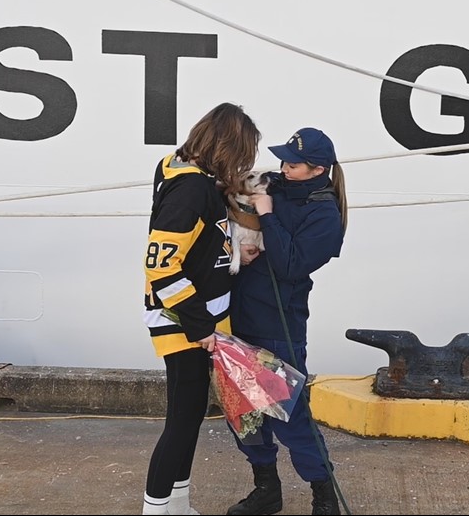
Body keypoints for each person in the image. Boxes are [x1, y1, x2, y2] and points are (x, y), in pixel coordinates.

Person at [141, 103, 261, 515]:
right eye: (242, 155)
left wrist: (233, 256)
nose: (243, 165)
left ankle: (178, 505)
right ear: (226, 148)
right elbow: (160, 265)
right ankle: (156, 510)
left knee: (189, 416)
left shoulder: (182, 172)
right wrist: (200, 327)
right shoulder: (192, 189)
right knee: (181, 420)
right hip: (184, 321)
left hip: (196, 318)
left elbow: (198, 247)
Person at [225, 127, 349, 516]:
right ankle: (267, 489)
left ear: (317, 169)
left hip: (277, 327)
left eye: (292, 165)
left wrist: (266, 214)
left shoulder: (325, 216)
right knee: (243, 414)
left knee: (290, 417)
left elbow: (290, 265)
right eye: (282, 160)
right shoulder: (275, 185)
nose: (282, 169)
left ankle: (323, 495)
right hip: (237, 320)